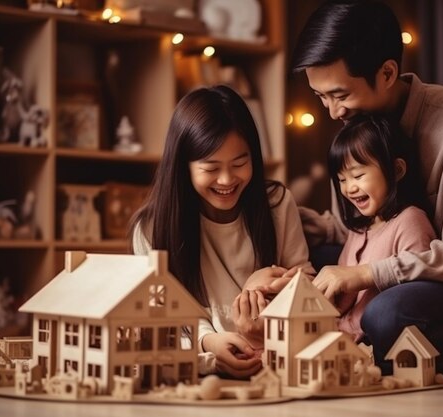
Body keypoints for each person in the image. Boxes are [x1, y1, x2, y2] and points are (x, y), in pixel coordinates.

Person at [292, 0, 443, 372]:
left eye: (341, 95)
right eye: (321, 98)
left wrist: (365, 274)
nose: (333, 112)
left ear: (388, 72)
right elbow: (357, 231)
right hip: (402, 277)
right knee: (303, 272)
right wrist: (283, 217)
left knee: (385, 315)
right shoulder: (356, 129)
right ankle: (439, 351)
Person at [130, 85, 313, 378]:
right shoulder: (152, 228)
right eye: (211, 168)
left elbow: (307, 284)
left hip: (275, 356)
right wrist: (210, 342)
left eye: (240, 163)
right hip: (198, 363)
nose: (227, 179)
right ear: (183, 166)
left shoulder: (276, 204)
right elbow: (161, 316)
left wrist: (272, 286)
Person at [327, 114, 435, 343]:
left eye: (357, 175)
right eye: (342, 179)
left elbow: (418, 294)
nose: (349, 188)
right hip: (346, 333)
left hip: (381, 334)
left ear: (396, 170)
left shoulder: (410, 221)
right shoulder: (357, 232)